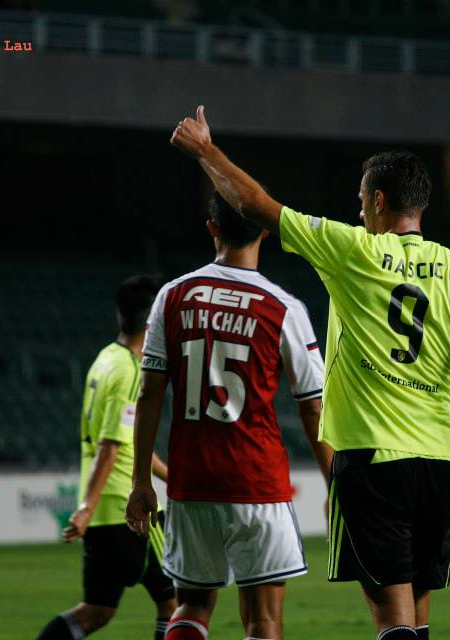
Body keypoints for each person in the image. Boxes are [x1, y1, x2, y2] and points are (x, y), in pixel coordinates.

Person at [167, 106, 450, 640]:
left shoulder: (353, 250)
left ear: (379, 201)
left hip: (372, 460)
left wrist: (204, 151)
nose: (358, 213)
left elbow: (255, 205)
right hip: (438, 460)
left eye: (360, 202)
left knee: (390, 620)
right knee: (418, 618)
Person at [125, 192, 332, 640]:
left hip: (191, 479)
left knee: (193, 606)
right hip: (256, 481)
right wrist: (337, 484)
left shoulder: (172, 296)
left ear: (212, 228)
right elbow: (313, 404)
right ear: (264, 229)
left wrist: (142, 479)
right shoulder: (283, 308)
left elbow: (149, 394)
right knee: (262, 620)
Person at [34, 275, 177, 640]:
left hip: (104, 514)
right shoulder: (131, 371)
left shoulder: (104, 360)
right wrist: (86, 506)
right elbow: (110, 447)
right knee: (174, 599)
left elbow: (126, 444)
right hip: (125, 510)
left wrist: (169, 475)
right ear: (152, 321)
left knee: (97, 611)